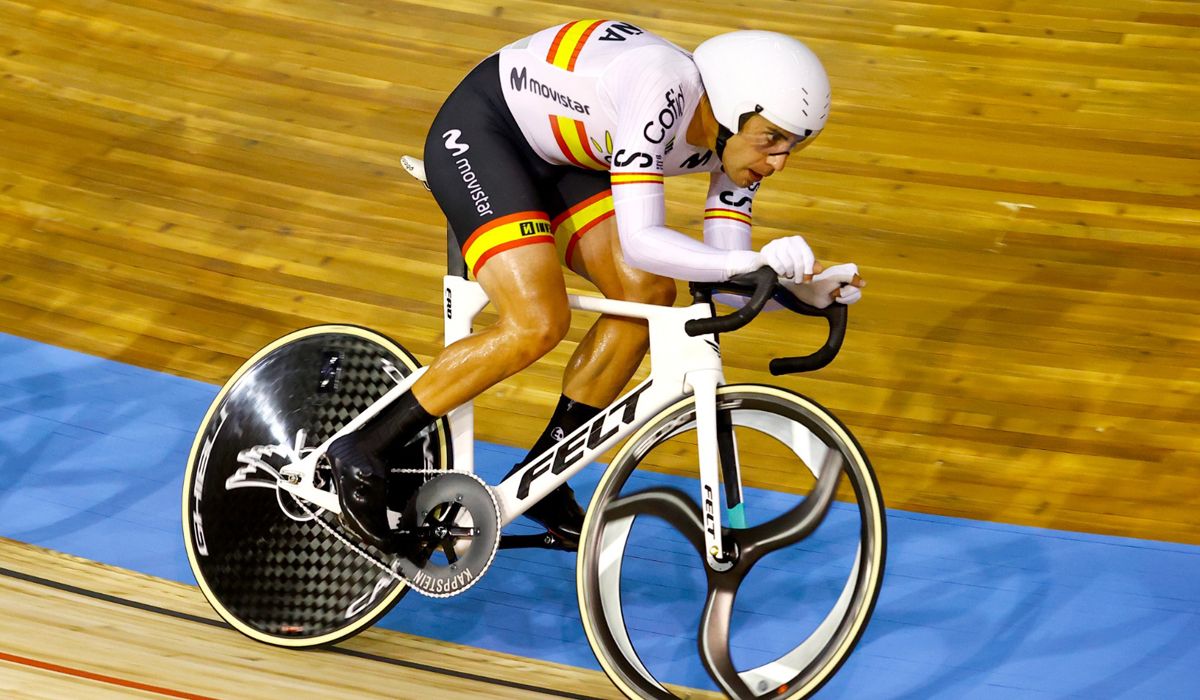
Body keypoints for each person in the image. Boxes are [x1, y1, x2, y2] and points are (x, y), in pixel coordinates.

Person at [328, 21, 865, 551]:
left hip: (565, 155)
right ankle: (365, 447)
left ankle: (542, 480)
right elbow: (642, 240)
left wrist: (799, 292)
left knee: (651, 296)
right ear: (728, 112)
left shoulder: (736, 150)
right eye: (770, 140)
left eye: (792, 146)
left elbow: (724, 275)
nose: (778, 161)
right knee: (537, 322)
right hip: (486, 130)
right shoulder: (662, 89)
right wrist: (752, 261)